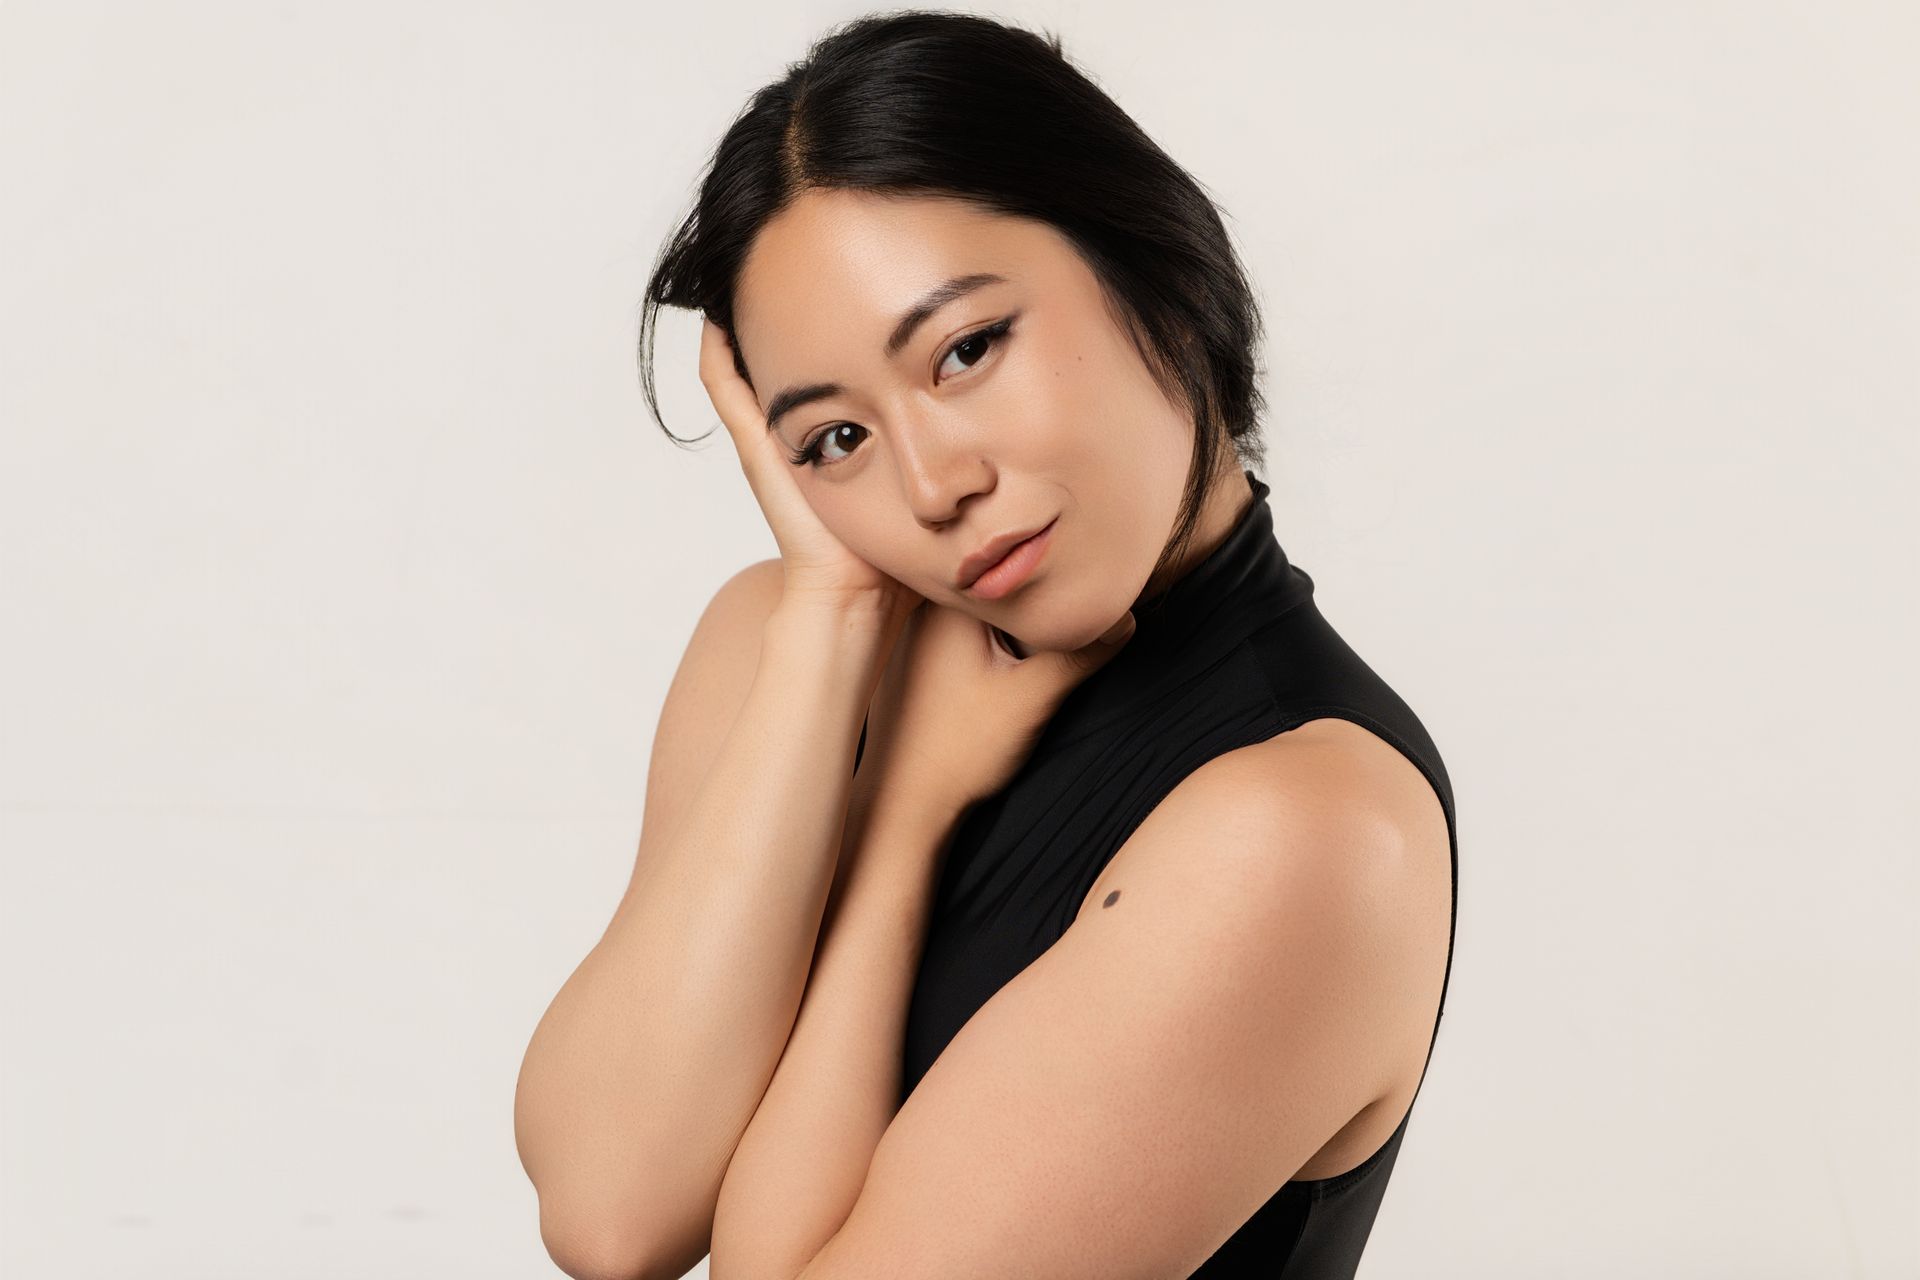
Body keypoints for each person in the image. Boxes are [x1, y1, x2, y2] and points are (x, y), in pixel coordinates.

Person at [514, 11, 1457, 1279]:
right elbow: (609, 1213)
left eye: (966, 349)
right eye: (831, 438)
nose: (933, 480)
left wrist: (900, 830)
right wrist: (835, 615)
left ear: (1146, 255)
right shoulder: (789, 642)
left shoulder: (1305, 831)